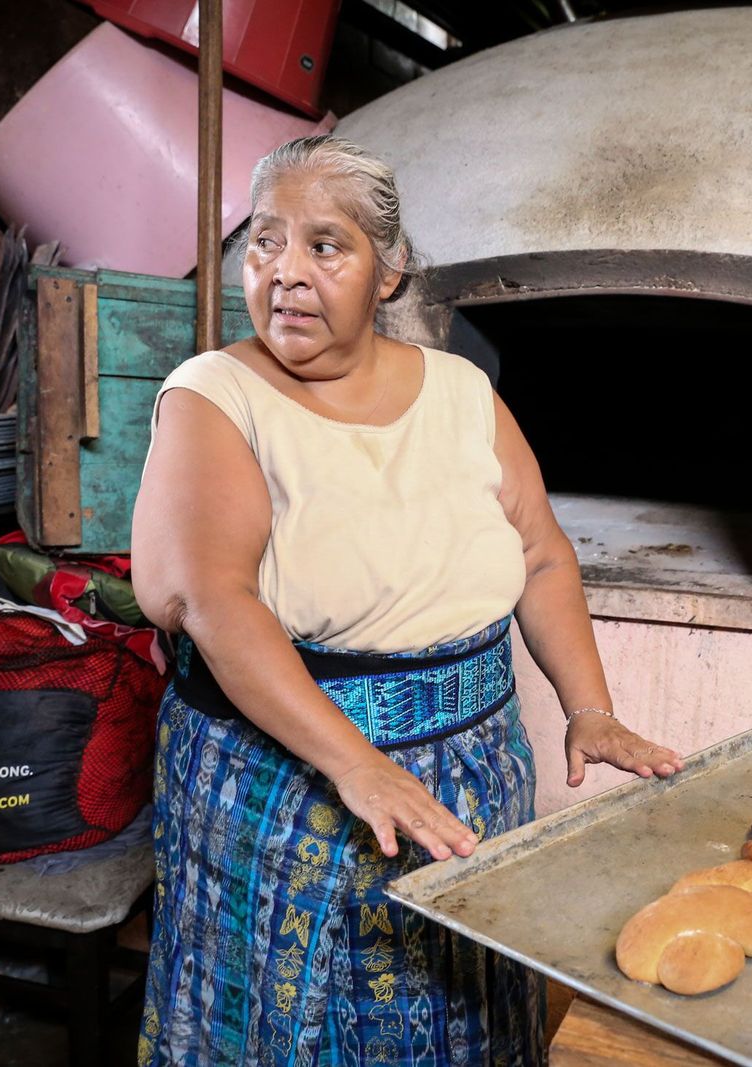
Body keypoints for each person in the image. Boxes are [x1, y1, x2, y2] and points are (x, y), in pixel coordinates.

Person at [131, 135, 683, 1066]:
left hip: (472, 780)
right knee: (286, 1032)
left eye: (325, 245)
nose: (287, 274)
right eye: (266, 243)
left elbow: (543, 556)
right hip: (287, 789)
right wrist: (357, 766)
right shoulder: (216, 397)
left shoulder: (464, 395)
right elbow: (210, 598)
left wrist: (589, 707)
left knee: (463, 1023)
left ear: (388, 275)